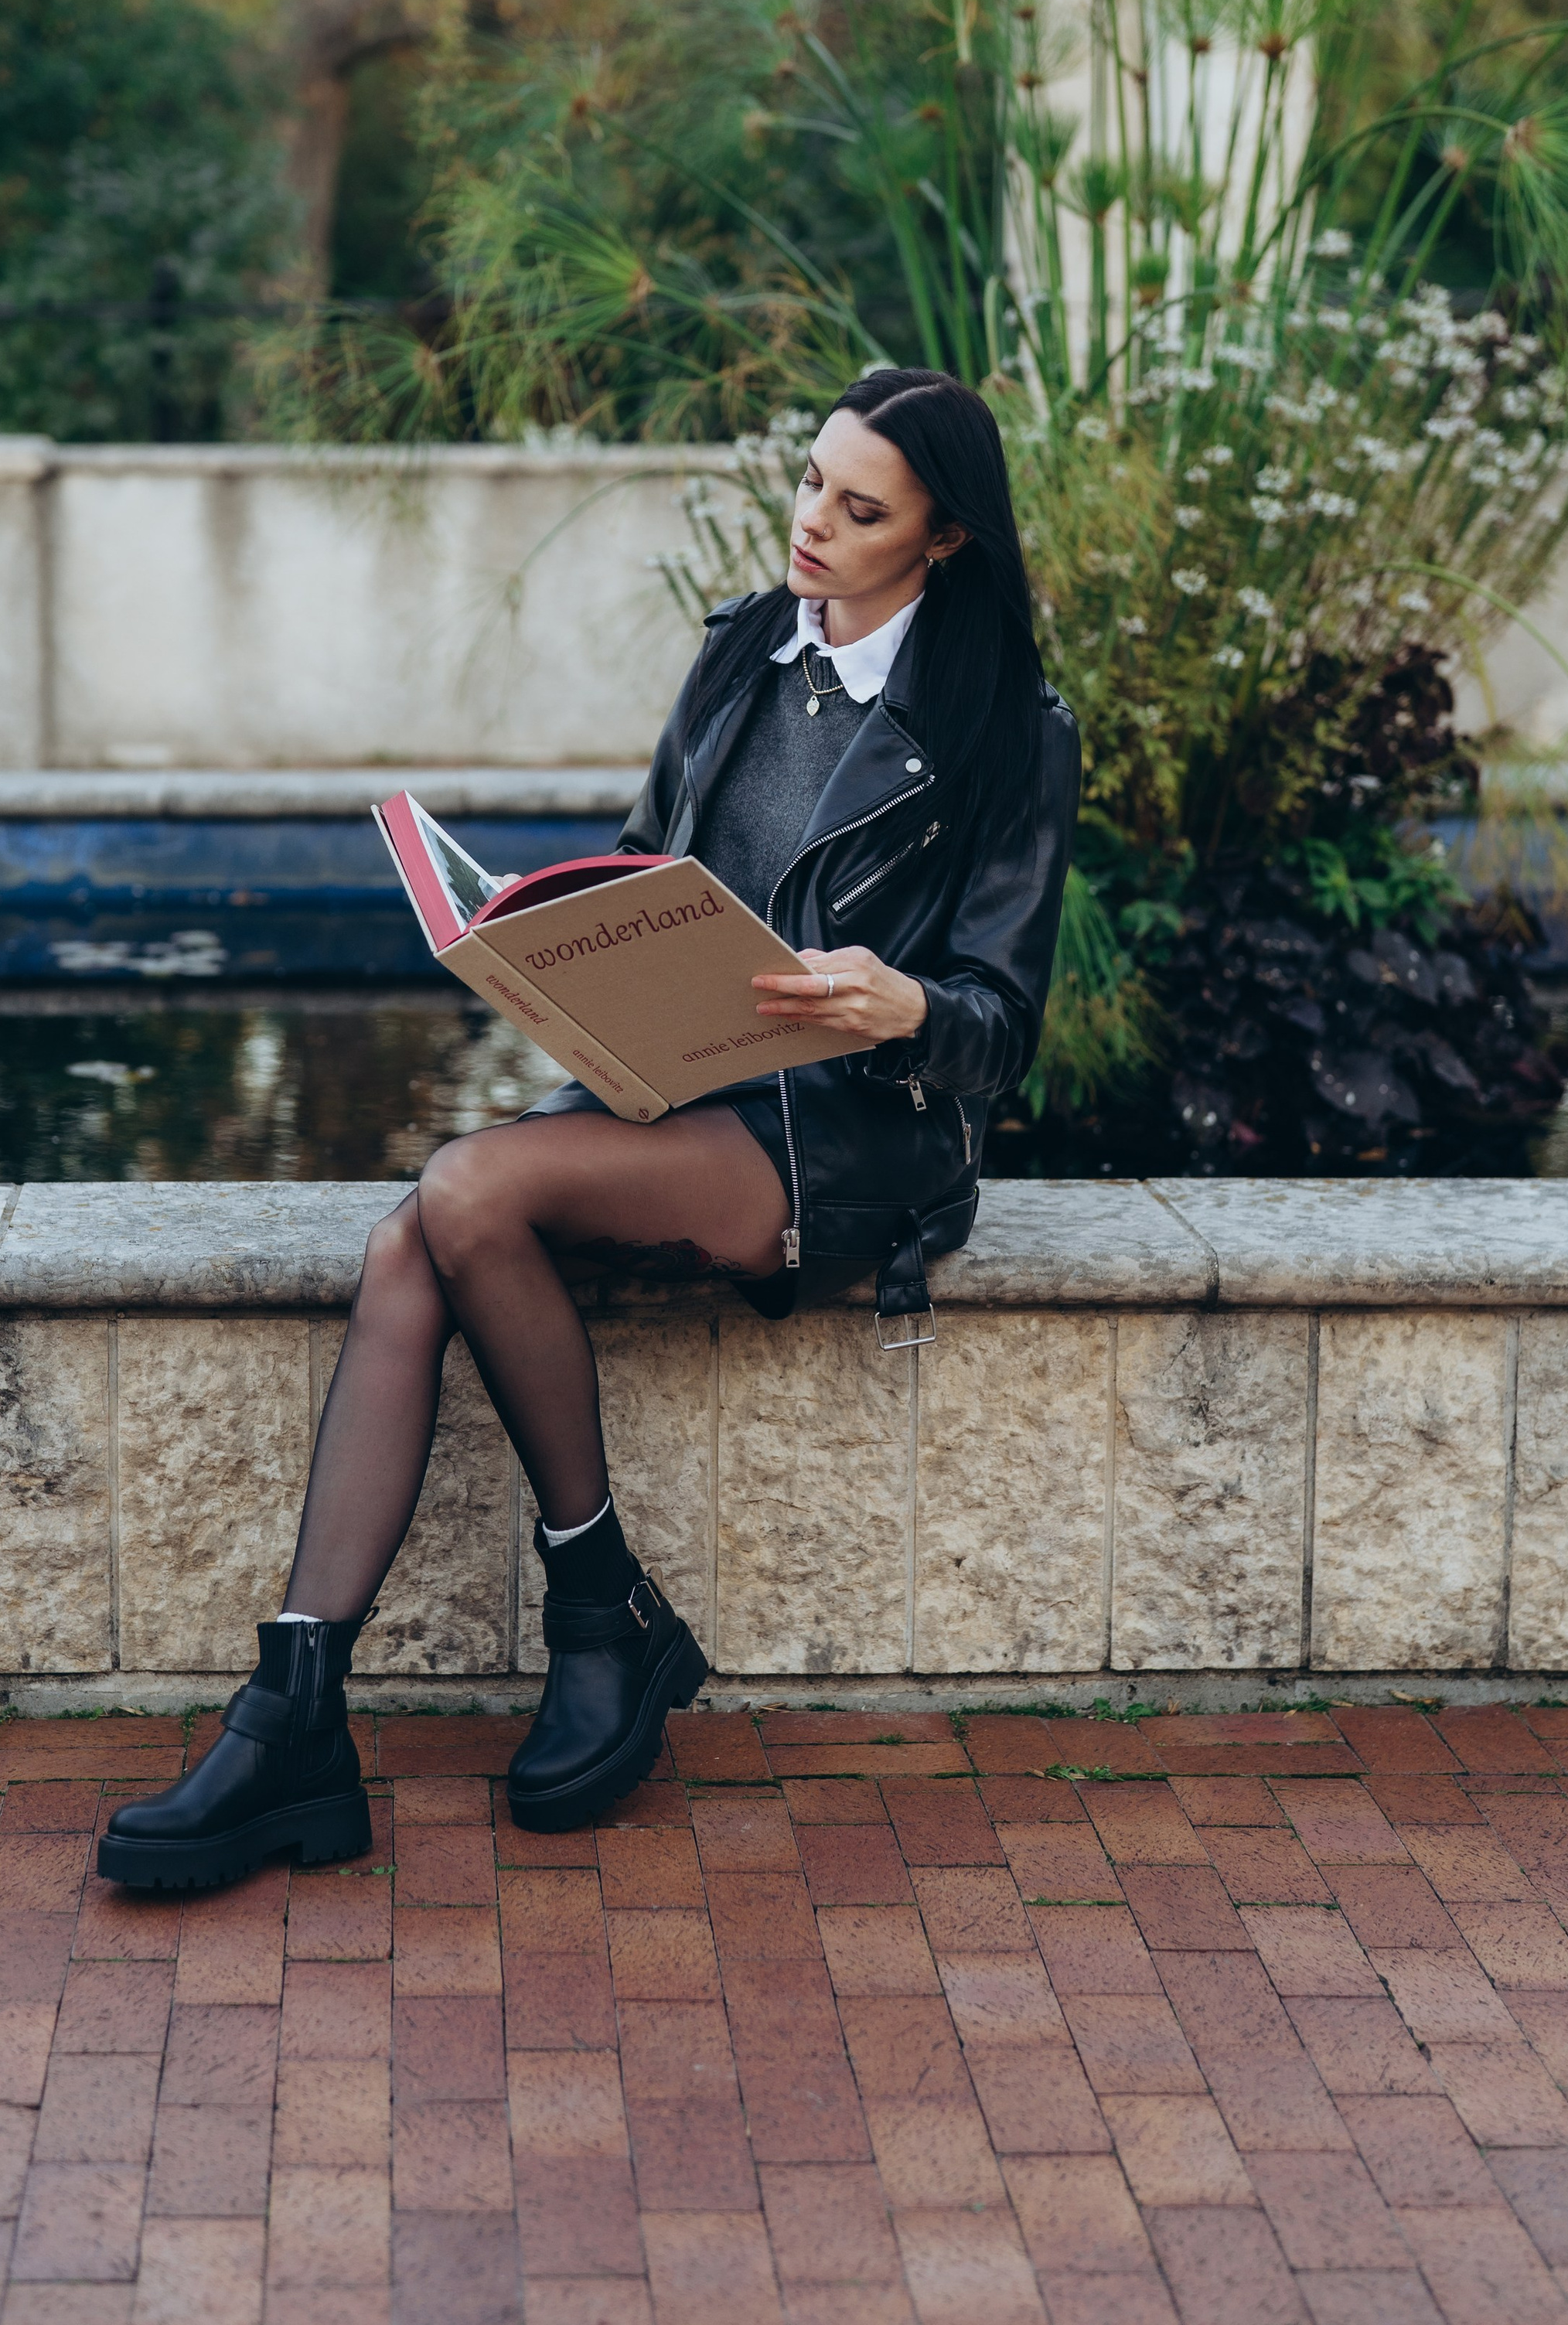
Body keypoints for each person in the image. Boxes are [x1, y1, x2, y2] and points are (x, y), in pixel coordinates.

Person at [97, 367, 1079, 1890]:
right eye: (810, 483)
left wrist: (901, 1008)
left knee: (462, 1194)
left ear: (942, 538)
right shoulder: (744, 649)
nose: (810, 523)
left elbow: (996, 1029)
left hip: (844, 1133)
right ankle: (299, 1701)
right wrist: (559, 952)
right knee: (416, 1235)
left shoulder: (1006, 727)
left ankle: (586, 1601)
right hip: (674, 1075)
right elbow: (650, 861)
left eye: (857, 507)